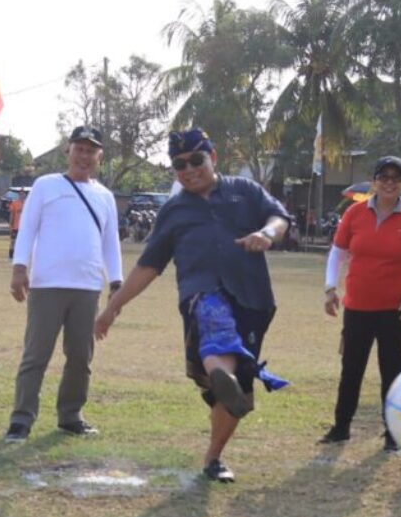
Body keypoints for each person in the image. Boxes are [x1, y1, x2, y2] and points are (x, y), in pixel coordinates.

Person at [94, 128, 290, 483]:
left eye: (196, 160)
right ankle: (222, 373)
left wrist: (267, 234)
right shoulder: (173, 211)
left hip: (252, 298)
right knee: (215, 326)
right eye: (179, 164)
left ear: (212, 157)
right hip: (202, 293)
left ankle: (214, 455)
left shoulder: (244, 191)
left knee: (235, 396)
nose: (188, 169)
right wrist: (113, 307)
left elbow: (279, 217)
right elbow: (148, 266)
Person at [4, 126, 123, 442]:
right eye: (79, 149)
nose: (84, 156)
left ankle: (71, 415)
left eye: (91, 150)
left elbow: (110, 242)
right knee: (36, 354)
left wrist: (116, 282)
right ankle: (21, 419)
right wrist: (20, 268)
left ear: (99, 156)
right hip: (48, 284)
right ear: (68, 151)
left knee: (81, 357)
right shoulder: (46, 186)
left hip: (87, 286)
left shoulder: (105, 196)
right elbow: (27, 228)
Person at [320, 156, 401, 451]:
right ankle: (341, 427)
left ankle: (393, 434)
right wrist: (330, 288)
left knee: (393, 371)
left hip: (396, 309)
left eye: (395, 178)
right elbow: (337, 252)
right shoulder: (355, 214)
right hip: (358, 306)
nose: (389, 183)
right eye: (383, 177)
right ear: (375, 181)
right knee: (351, 369)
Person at [7, 190, 25, 260]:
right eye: (20, 194)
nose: (22, 196)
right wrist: (10, 224)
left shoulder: (27, 204)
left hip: (24, 228)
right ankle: (11, 257)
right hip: (16, 227)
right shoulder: (14, 203)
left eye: (23, 194)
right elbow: (12, 215)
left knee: (22, 243)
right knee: (13, 242)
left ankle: (21, 256)